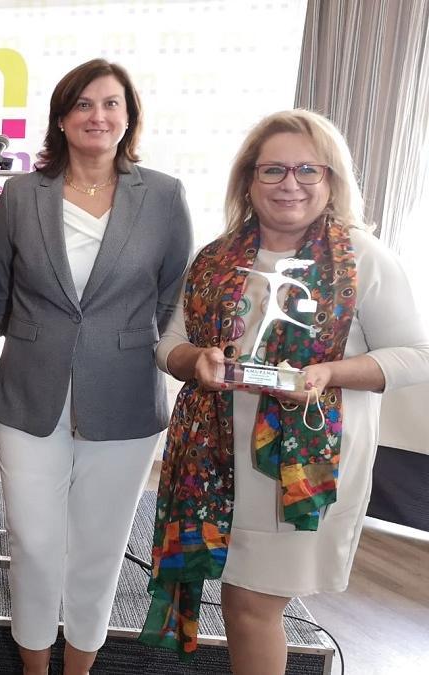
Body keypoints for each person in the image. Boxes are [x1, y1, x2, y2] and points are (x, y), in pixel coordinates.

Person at [142, 109, 429, 673]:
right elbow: (169, 343)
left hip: (305, 470)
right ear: (248, 180)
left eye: (307, 170)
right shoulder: (217, 258)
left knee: (252, 603)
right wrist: (194, 360)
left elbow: (416, 355)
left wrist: (328, 374)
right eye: (272, 170)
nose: (289, 184)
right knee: (241, 601)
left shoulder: (362, 258)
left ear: (331, 180)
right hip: (218, 464)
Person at [0, 58, 193, 675]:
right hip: (30, 391)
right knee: (36, 543)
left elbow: (172, 293)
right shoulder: (23, 193)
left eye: (110, 104)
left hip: (125, 395)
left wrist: (118, 341)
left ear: (128, 117)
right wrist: (43, 338)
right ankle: (32, 664)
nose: (97, 116)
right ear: (61, 117)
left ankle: (79, 666)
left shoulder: (162, 195)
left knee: (99, 548)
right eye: (83, 104)